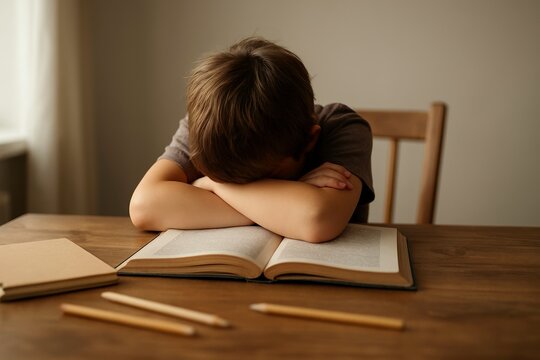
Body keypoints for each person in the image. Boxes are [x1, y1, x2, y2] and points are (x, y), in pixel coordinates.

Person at [129, 37, 374, 243]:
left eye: (268, 179)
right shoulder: (213, 122)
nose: (249, 187)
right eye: (226, 180)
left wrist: (212, 185)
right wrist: (293, 194)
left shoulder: (343, 127)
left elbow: (317, 219)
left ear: (311, 139)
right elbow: (143, 206)